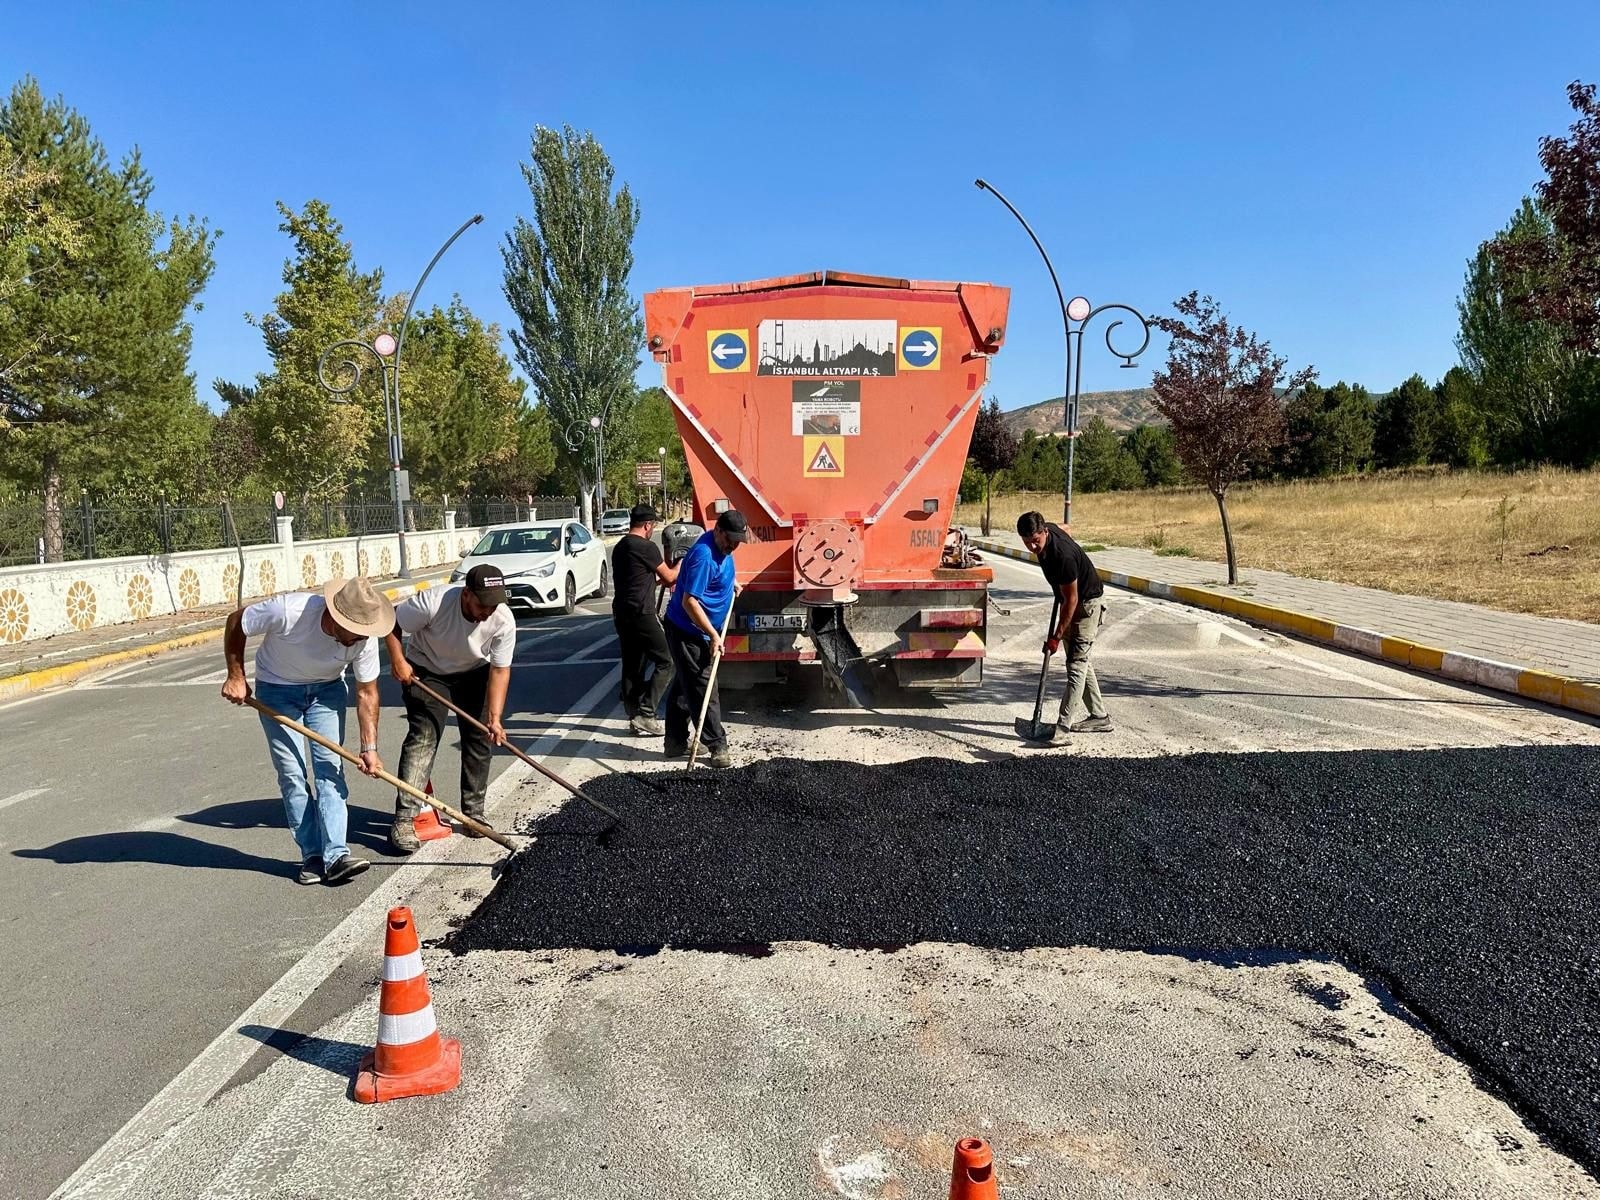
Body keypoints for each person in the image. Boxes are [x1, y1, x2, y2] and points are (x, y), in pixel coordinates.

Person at [221, 576, 394, 885]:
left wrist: (370, 748)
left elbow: (367, 692)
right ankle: (312, 855)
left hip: (326, 692)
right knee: (292, 773)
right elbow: (237, 621)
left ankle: (336, 855)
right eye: (354, 633)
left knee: (330, 768)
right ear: (336, 616)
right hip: (277, 690)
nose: (360, 640)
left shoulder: (363, 638)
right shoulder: (290, 611)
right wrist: (236, 675)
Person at [384, 564, 515, 851]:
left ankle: (473, 814)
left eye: (494, 605)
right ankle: (405, 819)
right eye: (483, 604)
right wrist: (398, 660)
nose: (488, 612)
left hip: (474, 672)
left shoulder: (503, 619)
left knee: (480, 738)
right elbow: (391, 622)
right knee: (424, 737)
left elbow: (500, 670)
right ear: (466, 594)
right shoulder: (433, 603)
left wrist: (494, 719)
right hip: (427, 670)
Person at [662, 509, 749, 767]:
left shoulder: (722, 551)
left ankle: (675, 742)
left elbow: (720, 571)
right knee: (703, 687)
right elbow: (690, 601)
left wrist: (731, 581)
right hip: (687, 630)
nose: (733, 545)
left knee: (684, 686)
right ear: (718, 530)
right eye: (729, 539)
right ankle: (717, 745)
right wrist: (712, 635)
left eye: (738, 541)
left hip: (697, 628)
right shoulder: (703, 555)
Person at [1017, 510, 1113, 735]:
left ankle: (1062, 727)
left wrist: (1056, 637)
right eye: (1027, 542)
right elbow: (1065, 528)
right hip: (1074, 602)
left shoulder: (1064, 557)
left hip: (1086, 606)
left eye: (1036, 541)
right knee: (1079, 660)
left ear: (1045, 532)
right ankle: (1100, 716)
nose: (1032, 547)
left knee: (1076, 665)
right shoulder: (1046, 531)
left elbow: (1071, 600)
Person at [611, 503, 679, 736]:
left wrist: (656, 580)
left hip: (622, 613)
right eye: (654, 525)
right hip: (642, 613)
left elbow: (639, 578)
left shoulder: (621, 547)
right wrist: (682, 562)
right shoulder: (646, 547)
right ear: (647, 525)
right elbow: (670, 578)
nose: (653, 529)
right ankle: (647, 713)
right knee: (667, 660)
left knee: (633, 665)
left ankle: (633, 717)